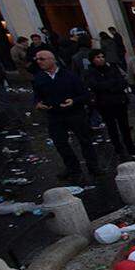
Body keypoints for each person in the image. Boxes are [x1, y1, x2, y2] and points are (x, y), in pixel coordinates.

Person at [32, 50, 100, 179]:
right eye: (37, 59)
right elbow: (37, 96)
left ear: (52, 60)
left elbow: (85, 94)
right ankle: (72, 168)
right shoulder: (39, 78)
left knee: (84, 140)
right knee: (60, 143)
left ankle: (93, 166)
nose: (39, 62)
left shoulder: (69, 75)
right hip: (54, 114)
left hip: (74, 113)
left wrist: (73, 101)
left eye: (42, 59)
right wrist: (38, 104)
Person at [83, 49, 135, 159]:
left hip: (119, 101)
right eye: (98, 57)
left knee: (125, 126)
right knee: (112, 128)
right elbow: (96, 86)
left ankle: (130, 147)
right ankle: (119, 149)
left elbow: (121, 82)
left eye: (102, 56)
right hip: (104, 104)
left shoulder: (112, 68)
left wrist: (110, 86)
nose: (101, 59)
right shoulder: (90, 72)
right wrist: (111, 85)